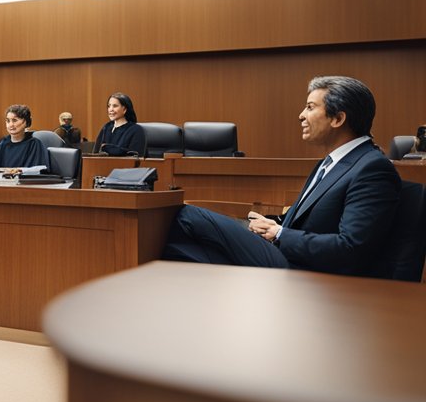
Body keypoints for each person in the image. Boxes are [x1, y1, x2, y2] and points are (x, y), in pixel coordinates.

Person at [163, 76, 400, 277]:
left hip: (309, 272)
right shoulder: (329, 163)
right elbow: (304, 220)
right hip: (290, 257)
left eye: (310, 107)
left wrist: (279, 233)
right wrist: (269, 224)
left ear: (338, 119)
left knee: (188, 215)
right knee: (186, 251)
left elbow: (351, 249)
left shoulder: (372, 168)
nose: (300, 115)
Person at [0, 104, 50, 172]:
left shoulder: (34, 144)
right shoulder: (1, 144)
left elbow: (37, 171)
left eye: (14, 120)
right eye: (8, 121)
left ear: (26, 122)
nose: (11, 125)